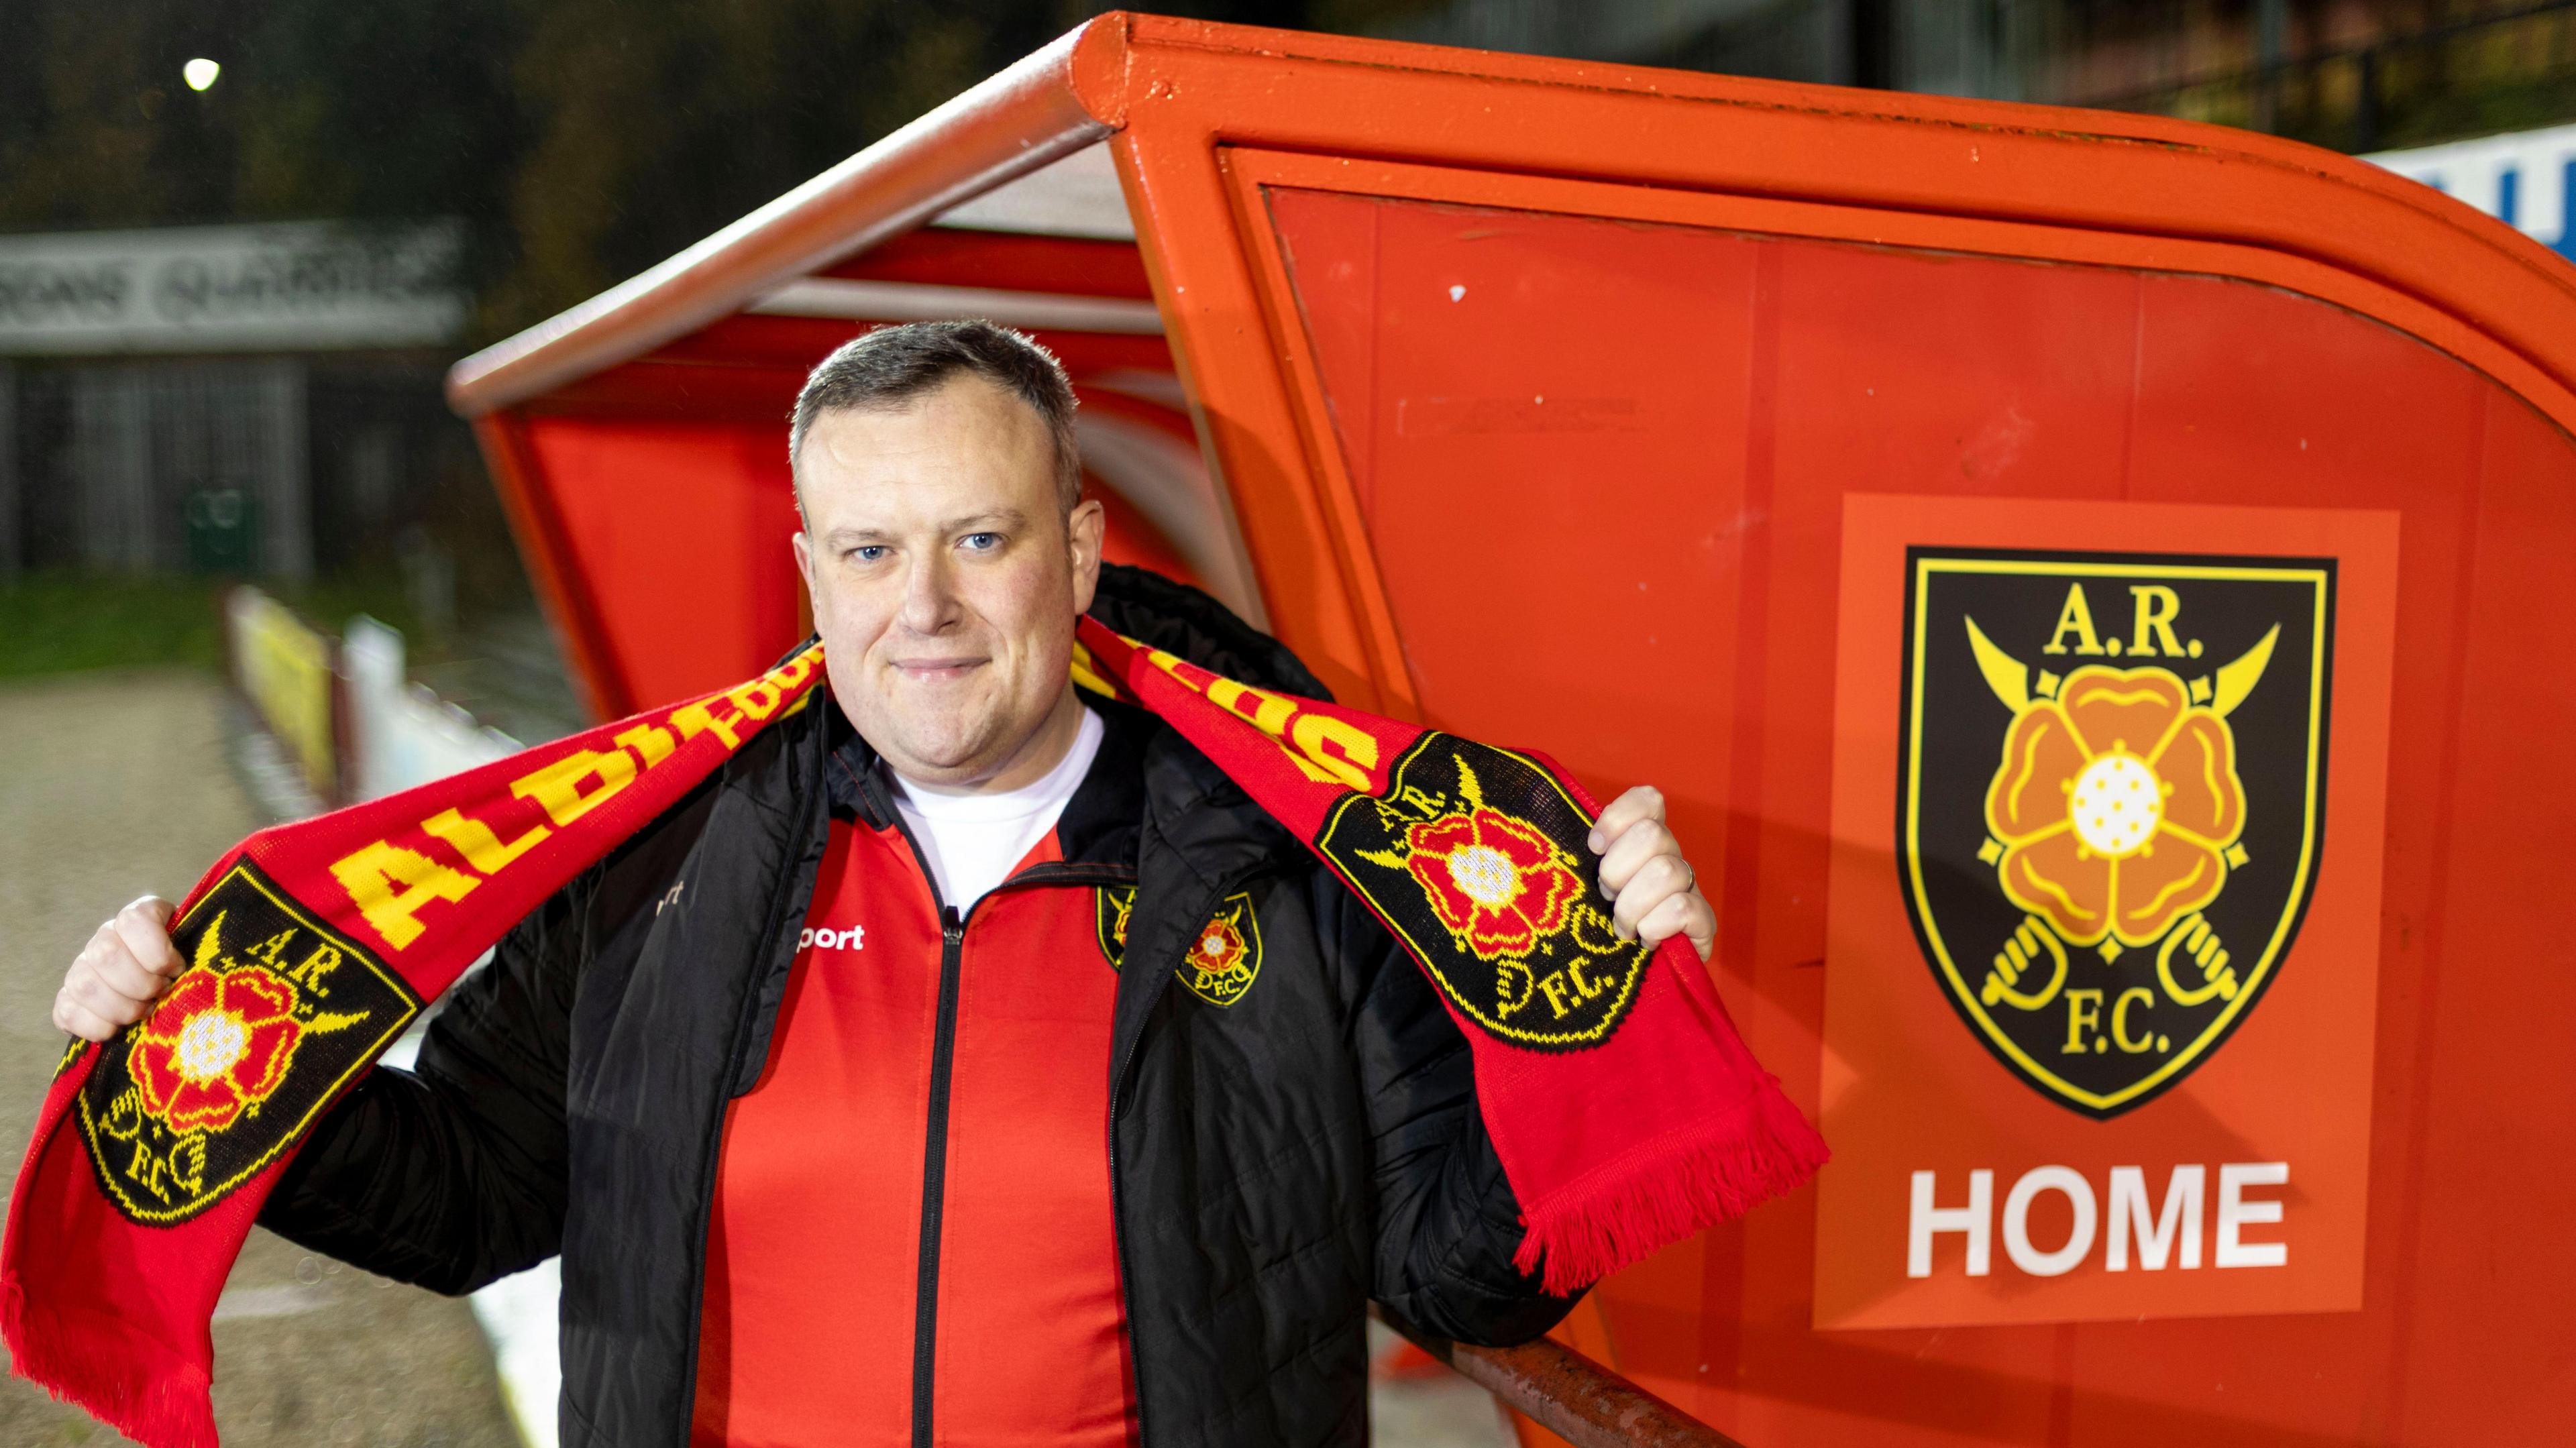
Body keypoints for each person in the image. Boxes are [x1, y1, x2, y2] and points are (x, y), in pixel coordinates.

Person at [52, 321, 1718, 1448]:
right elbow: (479, 1188)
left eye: (978, 541)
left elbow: (1454, 1268)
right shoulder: (665, 853)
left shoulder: (1290, 856)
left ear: (1076, 552)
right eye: (867, 550)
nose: (921, 606)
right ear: (808, 571)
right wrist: (201, 1072)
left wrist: (1598, 1009)